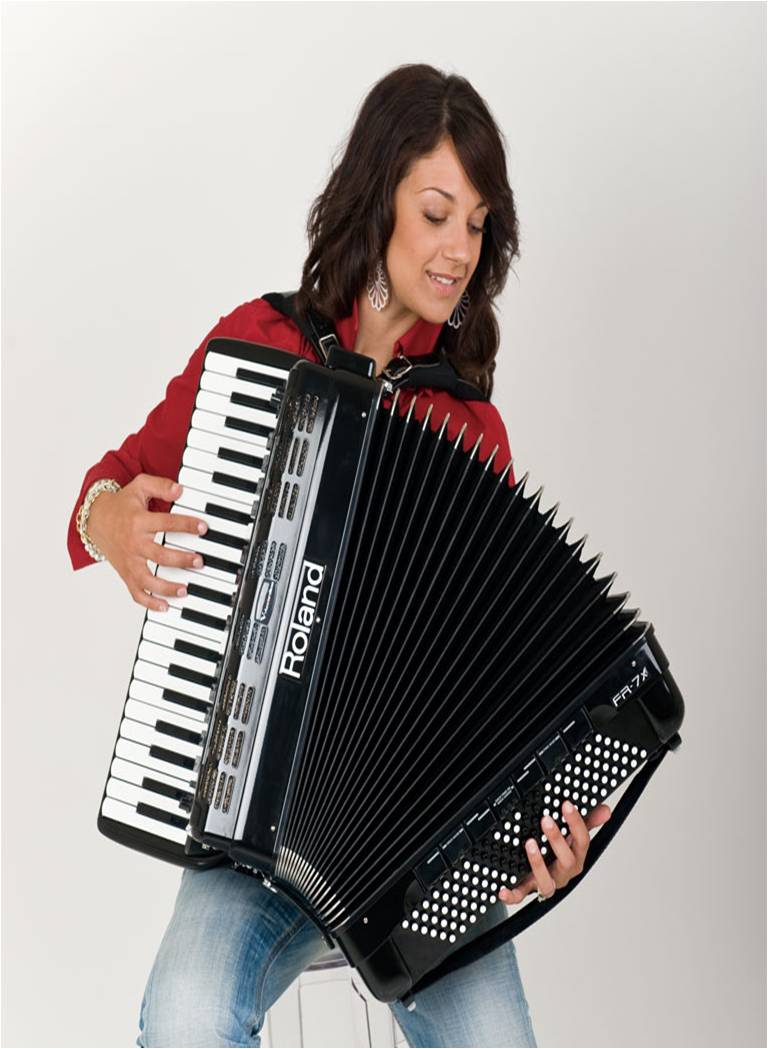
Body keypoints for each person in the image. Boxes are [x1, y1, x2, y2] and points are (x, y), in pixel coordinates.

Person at [68, 64, 611, 1048]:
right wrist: (110, 526)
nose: (457, 250)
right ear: (376, 203)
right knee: (187, 1017)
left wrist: (543, 830)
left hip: (417, 856)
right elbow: (102, 490)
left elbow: (494, 680)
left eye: (477, 224)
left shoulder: (467, 425)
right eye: (437, 212)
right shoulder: (258, 346)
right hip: (249, 839)